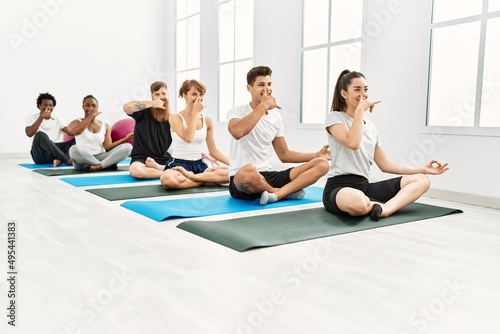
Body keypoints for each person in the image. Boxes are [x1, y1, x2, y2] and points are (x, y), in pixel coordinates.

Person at [323, 70, 449, 221]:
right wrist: (360, 110)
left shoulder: (371, 127)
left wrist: (422, 169)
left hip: (364, 186)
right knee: (358, 202)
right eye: (357, 90)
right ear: (344, 94)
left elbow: (386, 165)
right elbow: (353, 143)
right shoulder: (334, 118)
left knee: (422, 180)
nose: (363, 94)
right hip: (339, 188)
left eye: (365, 89)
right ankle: (370, 205)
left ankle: (385, 209)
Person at [227, 65, 330, 205]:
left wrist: (316, 155)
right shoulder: (236, 112)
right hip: (242, 179)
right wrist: (263, 106)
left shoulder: (275, 117)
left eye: (269, 84)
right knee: (248, 171)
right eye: (261, 85)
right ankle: (279, 191)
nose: (267, 89)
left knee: (322, 165)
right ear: (249, 88)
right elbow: (237, 132)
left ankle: (278, 194)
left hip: (268, 175)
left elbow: (284, 154)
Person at [158, 79, 230, 189]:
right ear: (184, 95)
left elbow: (213, 151)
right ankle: (202, 180)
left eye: (201, 94)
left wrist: (234, 165)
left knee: (229, 174)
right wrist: (195, 113)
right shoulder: (175, 117)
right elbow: (188, 137)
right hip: (178, 164)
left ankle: (193, 179)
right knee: (167, 180)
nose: (198, 98)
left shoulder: (207, 120)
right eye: (194, 94)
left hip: (199, 165)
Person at [68, 95, 132, 172]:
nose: (90, 108)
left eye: (93, 106)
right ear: (83, 107)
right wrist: (91, 116)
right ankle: (104, 165)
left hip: (100, 156)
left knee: (128, 147)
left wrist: (126, 138)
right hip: (82, 160)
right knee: (73, 149)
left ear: (97, 108)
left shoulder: (105, 125)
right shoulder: (76, 122)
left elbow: (108, 147)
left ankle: (98, 166)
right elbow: (75, 132)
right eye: (87, 105)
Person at [122, 81, 173, 179]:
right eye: (157, 94)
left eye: (163, 94)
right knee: (135, 171)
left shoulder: (172, 118)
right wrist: (153, 103)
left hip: (163, 158)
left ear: (168, 95)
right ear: (152, 96)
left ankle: (160, 168)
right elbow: (126, 107)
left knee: (187, 166)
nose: (161, 97)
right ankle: (166, 172)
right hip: (142, 158)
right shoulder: (144, 112)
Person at [25, 92, 75, 166]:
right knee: (39, 135)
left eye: (50, 105)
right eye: (45, 105)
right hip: (40, 155)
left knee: (76, 139)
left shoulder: (58, 118)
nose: (48, 107)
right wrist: (41, 117)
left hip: (55, 154)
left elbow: (70, 132)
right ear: (39, 106)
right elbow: (29, 133)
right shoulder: (31, 117)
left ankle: (59, 160)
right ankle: (66, 160)